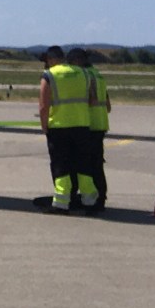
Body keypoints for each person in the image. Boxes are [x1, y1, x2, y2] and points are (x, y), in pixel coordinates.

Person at [37, 45, 98, 211]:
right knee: (84, 165)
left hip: (59, 127)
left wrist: (44, 126)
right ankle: (89, 201)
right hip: (82, 126)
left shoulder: (49, 75)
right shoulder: (84, 73)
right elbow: (93, 100)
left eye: (47, 61)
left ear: (52, 59)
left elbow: (43, 106)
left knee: (60, 165)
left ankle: (61, 202)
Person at [75, 47, 111, 213]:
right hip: (101, 124)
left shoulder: (86, 76)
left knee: (88, 166)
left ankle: (92, 199)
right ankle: (100, 198)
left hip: (89, 125)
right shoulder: (99, 75)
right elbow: (108, 106)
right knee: (97, 164)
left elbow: (90, 100)